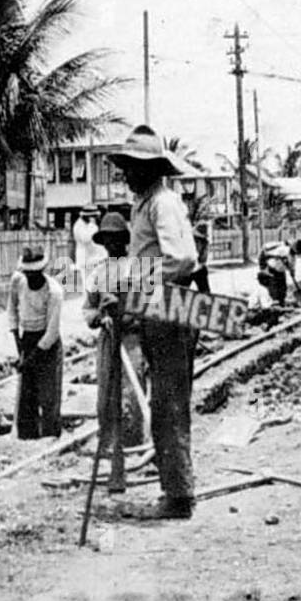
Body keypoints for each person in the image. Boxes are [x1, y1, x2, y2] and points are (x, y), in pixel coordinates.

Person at [110, 125, 199, 521]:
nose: (127, 174)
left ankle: (178, 496)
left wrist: (136, 282)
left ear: (153, 169)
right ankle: (175, 488)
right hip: (154, 307)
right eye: (126, 166)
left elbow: (180, 260)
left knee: (168, 403)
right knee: (163, 401)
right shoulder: (145, 203)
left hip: (170, 307)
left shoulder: (162, 203)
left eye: (135, 167)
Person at [82, 211, 147, 493]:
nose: (112, 245)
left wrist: (132, 317)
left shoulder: (140, 268)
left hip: (132, 339)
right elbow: (87, 308)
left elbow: (151, 305)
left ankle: (136, 449)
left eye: (116, 240)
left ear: (124, 240)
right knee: (106, 393)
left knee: (133, 394)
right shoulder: (99, 271)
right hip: (109, 339)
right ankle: (110, 449)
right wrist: (99, 317)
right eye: (107, 240)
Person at [7, 246, 64, 440]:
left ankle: (50, 437)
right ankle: (26, 438)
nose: (30, 277)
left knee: (48, 397)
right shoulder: (17, 282)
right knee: (26, 396)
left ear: (42, 270)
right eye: (27, 273)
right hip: (27, 340)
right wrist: (19, 344)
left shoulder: (54, 291)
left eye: (34, 273)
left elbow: (51, 333)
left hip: (47, 345)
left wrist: (29, 359)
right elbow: (12, 311)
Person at [71, 205, 104, 287]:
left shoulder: (88, 225)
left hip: (94, 258)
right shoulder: (79, 226)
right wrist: (93, 225)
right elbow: (86, 238)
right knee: (88, 286)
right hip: (85, 259)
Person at [191, 221, 211, 293]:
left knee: (205, 291)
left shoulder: (205, 243)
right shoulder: (189, 240)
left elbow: (203, 260)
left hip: (198, 267)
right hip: (187, 266)